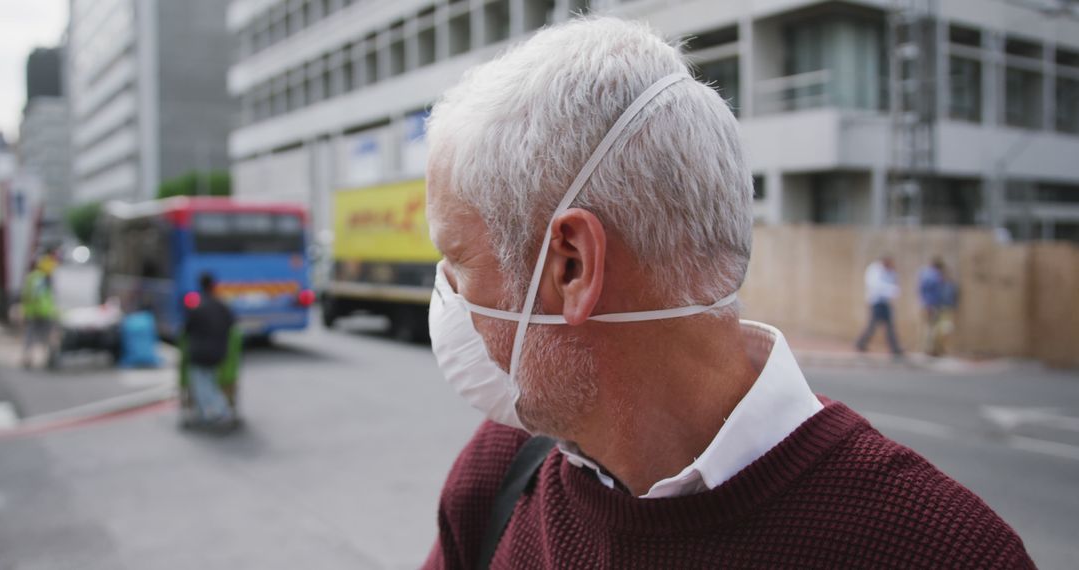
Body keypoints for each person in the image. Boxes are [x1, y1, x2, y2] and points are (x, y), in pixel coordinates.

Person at [421, 17, 1031, 569]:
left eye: (457, 259)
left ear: (572, 266)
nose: (447, 295)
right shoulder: (503, 469)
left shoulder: (946, 551)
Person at [183, 272, 236, 425]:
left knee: (201, 385)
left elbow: (187, 330)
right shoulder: (222, 306)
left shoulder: (197, 307)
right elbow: (231, 325)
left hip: (199, 353)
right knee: (211, 382)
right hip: (219, 352)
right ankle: (207, 413)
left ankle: (220, 411)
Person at [855, 254, 903, 357]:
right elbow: (876, 285)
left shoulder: (890, 271)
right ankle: (860, 343)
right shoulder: (874, 270)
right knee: (872, 326)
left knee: (890, 326)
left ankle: (895, 348)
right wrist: (891, 290)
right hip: (876, 302)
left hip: (885, 302)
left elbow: (895, 284)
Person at [20, 254, 59, 369]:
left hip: (33, 312)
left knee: (30, 335)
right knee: (48, 335)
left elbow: (25, 295)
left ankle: (28, 358)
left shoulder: (31, 277)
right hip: (42, 312)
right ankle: (49, 359)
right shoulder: (41, 278)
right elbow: (38, 296)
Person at [918, 257, 946, 356]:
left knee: (930, 327)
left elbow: (921, 290)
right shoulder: (933, 275)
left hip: (927, 303)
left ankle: (930, 349)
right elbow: (933, 290)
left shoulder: (923, 273)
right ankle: (930, 349)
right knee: (932, 327)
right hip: (932, 304)